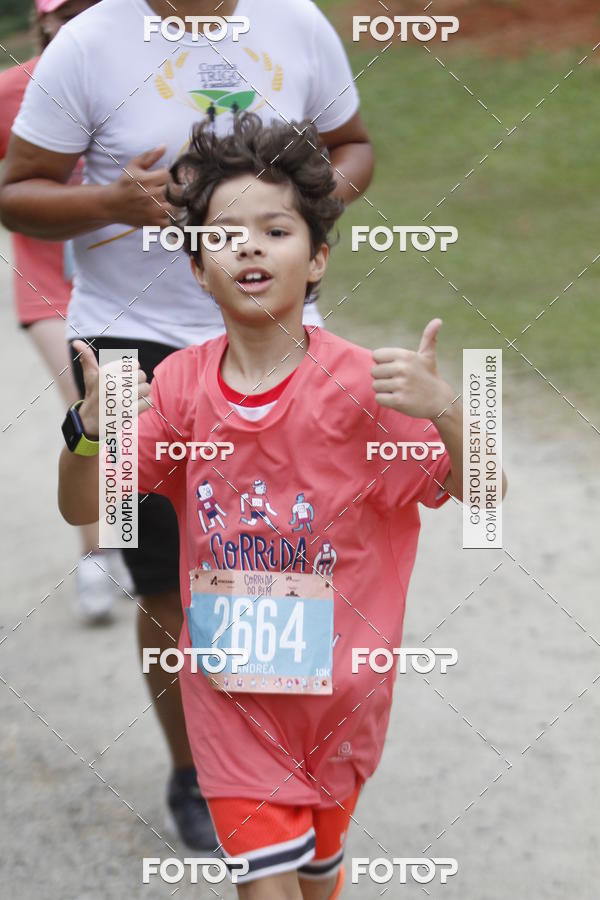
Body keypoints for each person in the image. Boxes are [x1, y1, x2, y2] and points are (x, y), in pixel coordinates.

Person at [57, 112, 508, 898]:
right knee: (264, 886)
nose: (251, 246)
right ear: (198, 269)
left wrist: (446, 409)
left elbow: (488, 491)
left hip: (343, 697)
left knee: (317, 878)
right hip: (228, 701)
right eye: (226, 234)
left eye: (276, 229)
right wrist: (86, 431)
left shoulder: (368, 387)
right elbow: (82, 509)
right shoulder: (178, 389)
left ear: (318, 257)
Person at [0, 0, 375, 848]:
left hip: (269, 332)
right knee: (168, 569)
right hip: (135, 346)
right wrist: (111, 201)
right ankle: (196, 772)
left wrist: (300, 206)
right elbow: (15, 196)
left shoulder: (297, 22)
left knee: (269, 556)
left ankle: (266, 760)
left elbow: (354, 145)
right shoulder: (92, 41)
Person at [0, 0, 129, 624]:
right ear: (44, 20)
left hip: (119, 280)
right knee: (96, 404)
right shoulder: (14, 90)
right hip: (47, 282)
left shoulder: (134, 74)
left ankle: (134, 539)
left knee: (136, 413)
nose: (75, 20)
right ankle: (99, 554)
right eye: (63, 11)